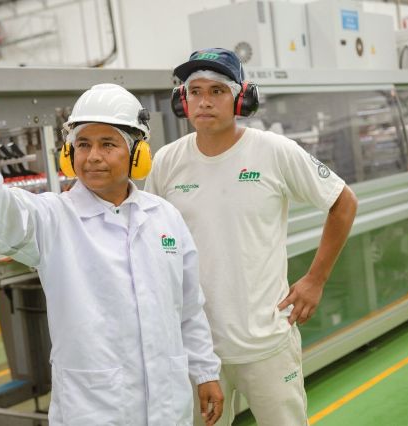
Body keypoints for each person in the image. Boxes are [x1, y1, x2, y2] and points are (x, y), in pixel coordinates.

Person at [0, 83, 224, 425]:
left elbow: (189, 306)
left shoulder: (164, 217)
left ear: (137, 153)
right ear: (69, 153)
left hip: (168, 407)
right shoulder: (54, 218)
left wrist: (205, 372)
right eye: (83, 144)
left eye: (108, 144)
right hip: (95, 410)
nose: (93, 156)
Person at [145, 48, 358, 425]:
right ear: (183, 100)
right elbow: (153, 239)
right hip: (199, 349)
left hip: (267, 340)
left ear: (241, 98)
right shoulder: (167, 161)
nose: (204, 101)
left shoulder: (274, 151)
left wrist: (315, 279)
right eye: (195, 91)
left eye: (217, 91)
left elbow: (343, 202)